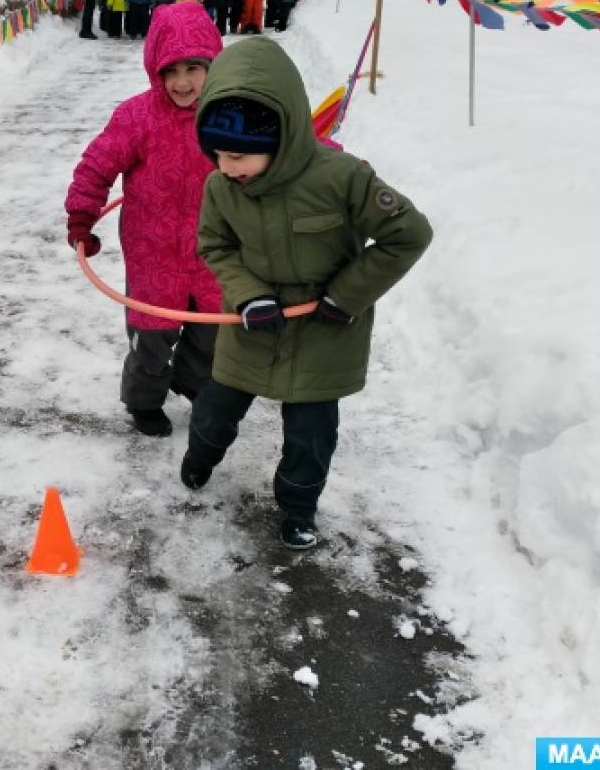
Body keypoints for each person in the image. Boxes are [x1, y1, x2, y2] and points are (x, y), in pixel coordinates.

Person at [179, 37, 433, 549]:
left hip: (323, 327)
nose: (228, 167)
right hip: (252, 322)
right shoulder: (221, 187)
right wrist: (247, 294)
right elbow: (215, 246)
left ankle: (298, 508)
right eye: (218, 155)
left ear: (285, 136)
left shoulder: (343, 178)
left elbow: (409, 234)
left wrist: (346, 296)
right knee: (217, 404)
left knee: (311, 433)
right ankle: (199, 460)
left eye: (240, 155)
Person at [64, 2, 225, 437]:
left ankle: (194, 385)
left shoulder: (230, 110)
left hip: (217, 251)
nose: (182, 81)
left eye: (193, 67)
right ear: (155, 70)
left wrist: (332, 173)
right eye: (170, 70)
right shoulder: (138, 116)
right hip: (154, 248)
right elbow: (97, 164)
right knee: (152, 335)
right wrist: (83, 214)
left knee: (210, 334)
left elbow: (286, 148)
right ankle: (144, 401)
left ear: (214, 62)